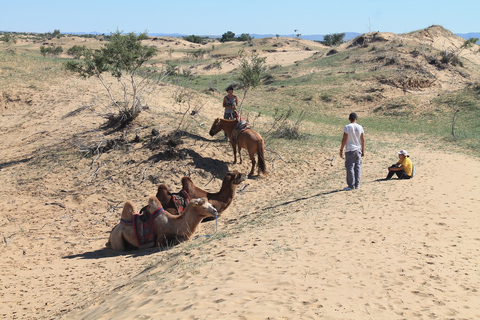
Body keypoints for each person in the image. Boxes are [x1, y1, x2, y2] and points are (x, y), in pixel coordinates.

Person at [340, 112, 365, 191]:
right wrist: (363, 150)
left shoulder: (347, 127)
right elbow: (362, 139)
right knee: (357, 167)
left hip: (350, 149)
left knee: (350, 167)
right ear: (356, 119)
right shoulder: (360, 127)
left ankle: (351, 185)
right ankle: (357, 184)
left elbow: (344, 139)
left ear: (349, 119)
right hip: (358, 149)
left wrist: (341, 149)